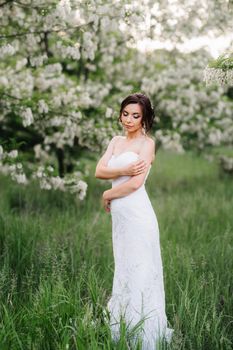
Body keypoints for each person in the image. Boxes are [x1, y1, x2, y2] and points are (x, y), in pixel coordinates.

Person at [95, 93, 174, 349]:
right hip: (120, 219)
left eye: (136, 116)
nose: (129, 120)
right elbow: (99, 171)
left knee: (140, 270)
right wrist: (122, 170)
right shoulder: (116, 141)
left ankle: (144, 333)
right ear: (120, 114)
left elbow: (135, 183)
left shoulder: (147, 144)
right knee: (124, 269)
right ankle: (122, 324)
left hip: (138, 216)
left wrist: (108, 193)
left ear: (145, 119)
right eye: (125, 114)